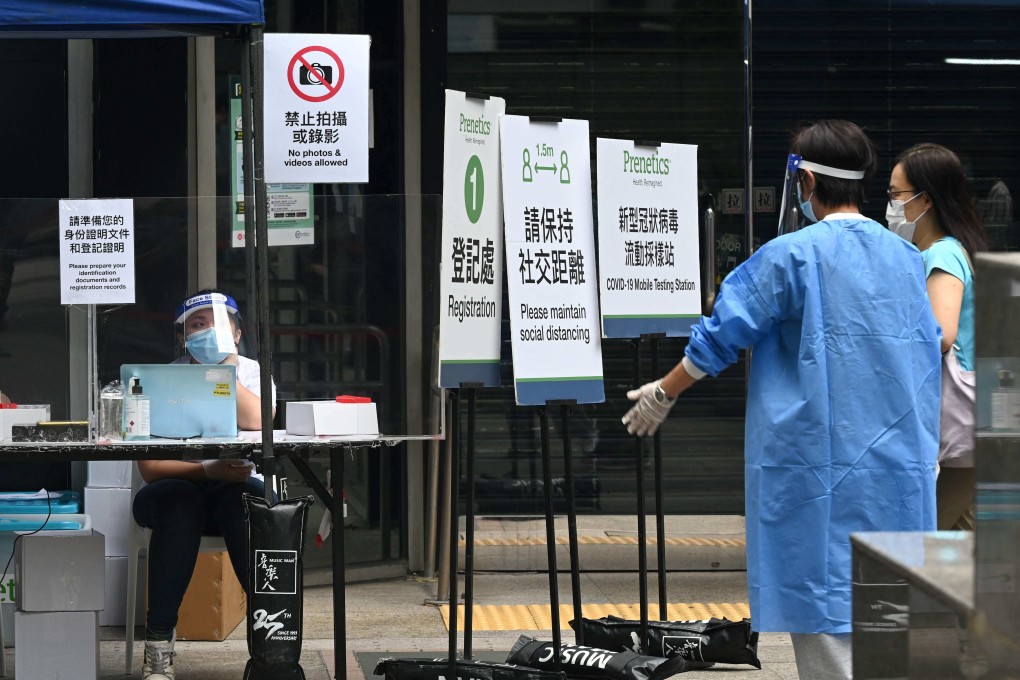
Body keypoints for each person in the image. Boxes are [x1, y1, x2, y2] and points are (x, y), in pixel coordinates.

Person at [622, 120, 941, 679]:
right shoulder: (906, 259)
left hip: (815, 476)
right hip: (896, 473)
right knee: (889, 626)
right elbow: (922, 358)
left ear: (806, 180)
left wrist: (661, 392)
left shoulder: (790, 256)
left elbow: (722, 335)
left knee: (825, 615)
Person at [132, 290, 276, 680]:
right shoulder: (162, 379)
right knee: (181, 503)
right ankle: (158, 645)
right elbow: (150, 468)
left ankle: (271, 646)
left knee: (240, 501)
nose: (207, 331)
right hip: (176, 491)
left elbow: (257, 422)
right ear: (182, 337)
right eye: (197, 325)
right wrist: (208, 470)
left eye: (217, 324)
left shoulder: (252, 373)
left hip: (237, 491)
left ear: (238, 333)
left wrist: (222, 367)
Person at [888, 143, 987, 530]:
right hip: (972, 425)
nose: (893, 205)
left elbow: (941, 334)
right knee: (965, 545)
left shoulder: (941, 255)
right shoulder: (948, 250)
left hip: (958, 422)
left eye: (897, 195)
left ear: (924, 199)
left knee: (918, 543)